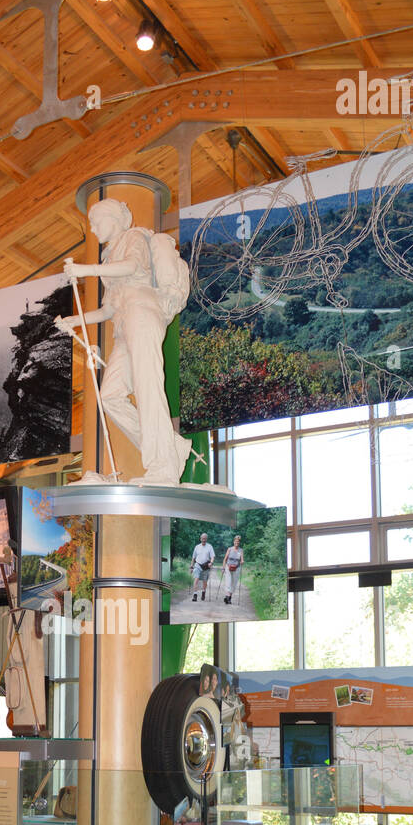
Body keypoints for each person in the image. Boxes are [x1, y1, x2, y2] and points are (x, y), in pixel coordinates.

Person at [57, 198, 192, 484]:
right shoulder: (109, 257)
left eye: (97, 222)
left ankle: (162, 468)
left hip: (143, 312)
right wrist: (77, 321)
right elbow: (109, 309)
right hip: (124, 323)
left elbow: (132, 267)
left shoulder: (133, 238)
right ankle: (169, 448)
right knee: (110, 396)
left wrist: (86, 270)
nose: (93, 229)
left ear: (116, 219)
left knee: (148, 386)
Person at [190, 532, 215, 602]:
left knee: (205, 581)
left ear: (206, 539)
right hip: (197, 565)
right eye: (202, 538)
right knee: (196, 579)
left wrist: (211, 563)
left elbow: (213, 556)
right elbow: (193, 558)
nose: (203, 540)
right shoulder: (197, 547)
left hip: (206, 566)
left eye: (205, 539)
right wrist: (191, 566)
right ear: (200, 539)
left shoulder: (210, 546)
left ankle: (203, 592)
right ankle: (195, 595)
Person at [222, 535, 244, 605]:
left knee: (233, 583)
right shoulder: (229, 549)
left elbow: (242, 559)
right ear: (234, 541)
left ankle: (228, 597)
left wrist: (242, 561)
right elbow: (225, 559)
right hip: (228, 567)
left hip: (236, 568)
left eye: (238, 542)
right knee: (228, 582)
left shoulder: (241, 550)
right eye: (236, 541)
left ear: (239, 542)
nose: (237, 543)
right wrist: (223, 568)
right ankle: (228, 597)